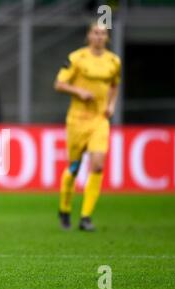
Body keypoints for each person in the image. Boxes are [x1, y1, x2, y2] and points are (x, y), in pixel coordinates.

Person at [54, 22, 121, 231]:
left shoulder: (114, 61)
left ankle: (85, 216)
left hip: (100, 119)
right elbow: (59, 84)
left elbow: (114, 85)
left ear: (107, 38)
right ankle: (64, 209)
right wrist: (79, 92)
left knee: (98, 165)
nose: (99, 37)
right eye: (95, 33)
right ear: (88, 36)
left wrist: (111, 105)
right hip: (77, 119)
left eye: (103, 33)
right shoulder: (76, 58)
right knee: (74, 168)